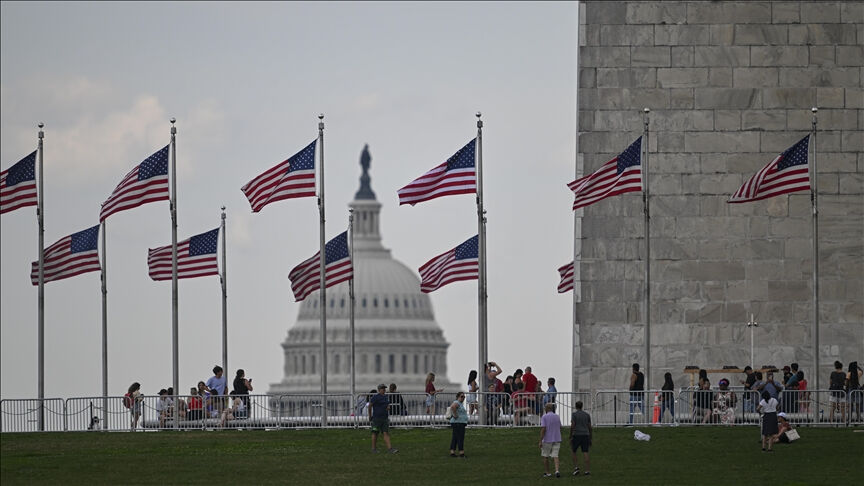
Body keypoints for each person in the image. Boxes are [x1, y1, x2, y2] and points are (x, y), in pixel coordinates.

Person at [369, 384, 398, 454]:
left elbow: (387, 404)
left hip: (384, 418)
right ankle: (373, 449)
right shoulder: (375, 397)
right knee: (375, 433)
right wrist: (370, 415)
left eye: (384, 388)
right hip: (377, 418)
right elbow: (370, 405)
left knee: (386, 433)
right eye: (382, 388)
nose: (384, 390)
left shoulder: (386, 397)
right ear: (379, 390)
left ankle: (390, 449)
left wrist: (388, 407)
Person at [569, 400, 592, 476]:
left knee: (573, 451)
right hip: (585, 434)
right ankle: (587, 470)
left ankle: (576, 467)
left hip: (577, 434)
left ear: (576, 406)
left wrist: (571, 435)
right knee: (585, 452)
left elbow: (573, 425)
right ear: (582, 406)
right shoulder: (587, 415)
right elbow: (589, 426)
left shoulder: (574, 414)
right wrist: (590, 436)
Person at [539, 402, 562, 478]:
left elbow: (543, 429)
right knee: (556, 455)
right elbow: (560, 427)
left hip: (547, 439)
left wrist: (540, 440)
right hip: (557, 438)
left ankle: (548, 472)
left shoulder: (544, 417)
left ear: (547, 408)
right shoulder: (557, 416)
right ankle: (557, 470)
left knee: (545, 456)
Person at [448, 392, 468, 458]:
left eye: (464, 397)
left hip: (458, 423)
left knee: (455, 438)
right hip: (458, 423)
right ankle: (461, 453)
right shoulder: (457, 402)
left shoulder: (460, 403)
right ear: (458, 397)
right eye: (461, 396)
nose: (463, 398)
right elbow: (453, 407)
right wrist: (455, 415)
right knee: (460, 438)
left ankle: (452, 452)